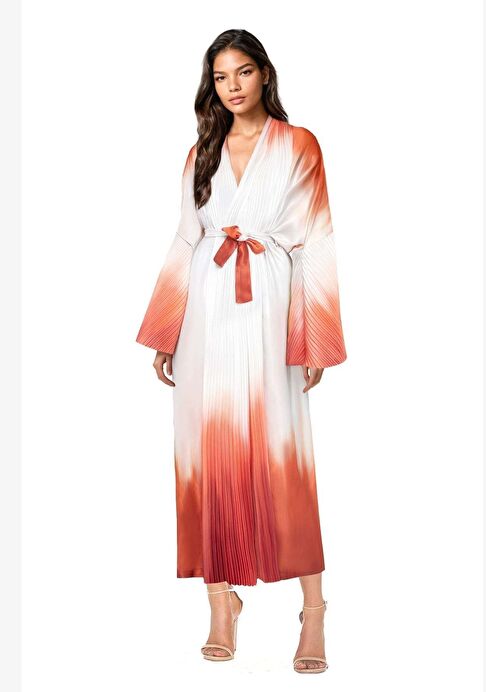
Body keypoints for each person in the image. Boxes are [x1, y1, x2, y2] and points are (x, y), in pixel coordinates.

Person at [135, 29, 347, 673]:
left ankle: (314, 609)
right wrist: (166, 329)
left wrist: (313, 335)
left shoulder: (299, 144)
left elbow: (315, 241)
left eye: (243, 72)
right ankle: (220, 602)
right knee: (208, 452)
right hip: (206, 312)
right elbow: (185, 239)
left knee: (285, 452)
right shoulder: (201, 151)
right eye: (221, 76)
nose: (232, 86)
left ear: (264, 75)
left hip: (270, 307)